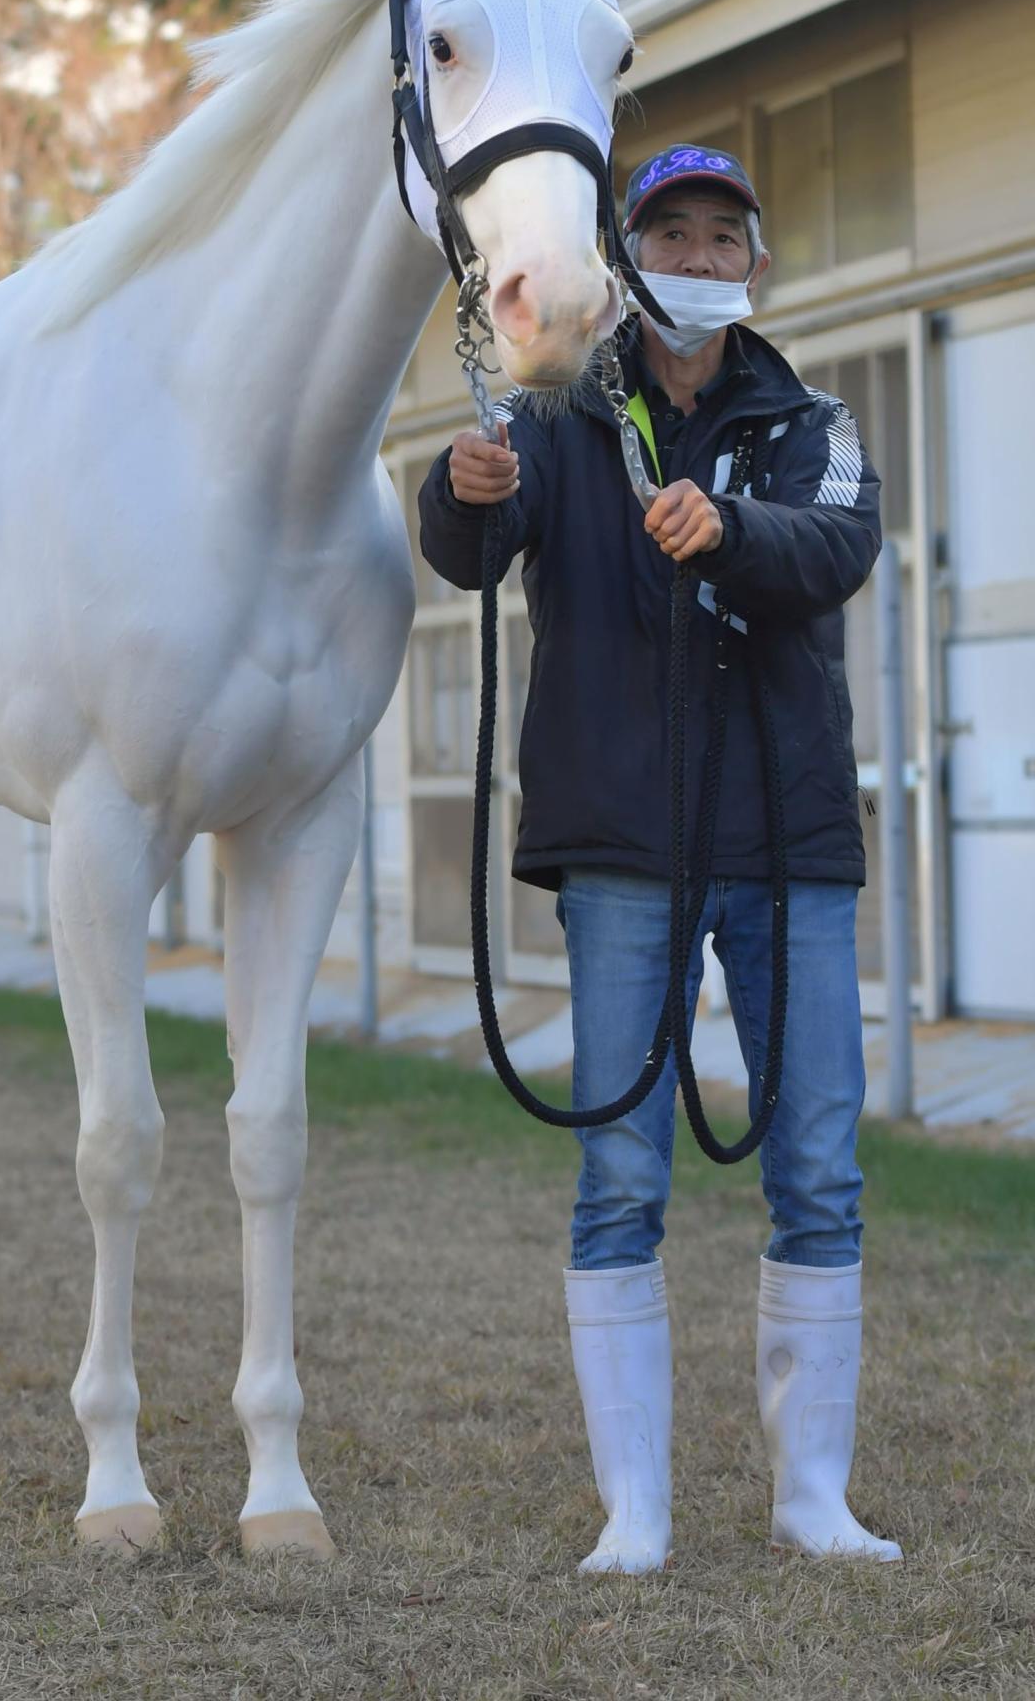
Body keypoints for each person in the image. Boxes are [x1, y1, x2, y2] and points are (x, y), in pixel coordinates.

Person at [418, 143, 901, 1575]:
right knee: (618, 1175)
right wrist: (461, 484)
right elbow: (465, 546)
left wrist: (732, 529)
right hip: (622, 842)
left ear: (754, 263)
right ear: (628, 254)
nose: (694, 259)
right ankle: (637, 1511)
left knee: (818, 1161)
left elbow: (837, 547)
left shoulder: (811, 414)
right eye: (670, 235)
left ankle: (812, 1497)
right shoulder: (560, 411)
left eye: (719, 238)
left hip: (789, 841)